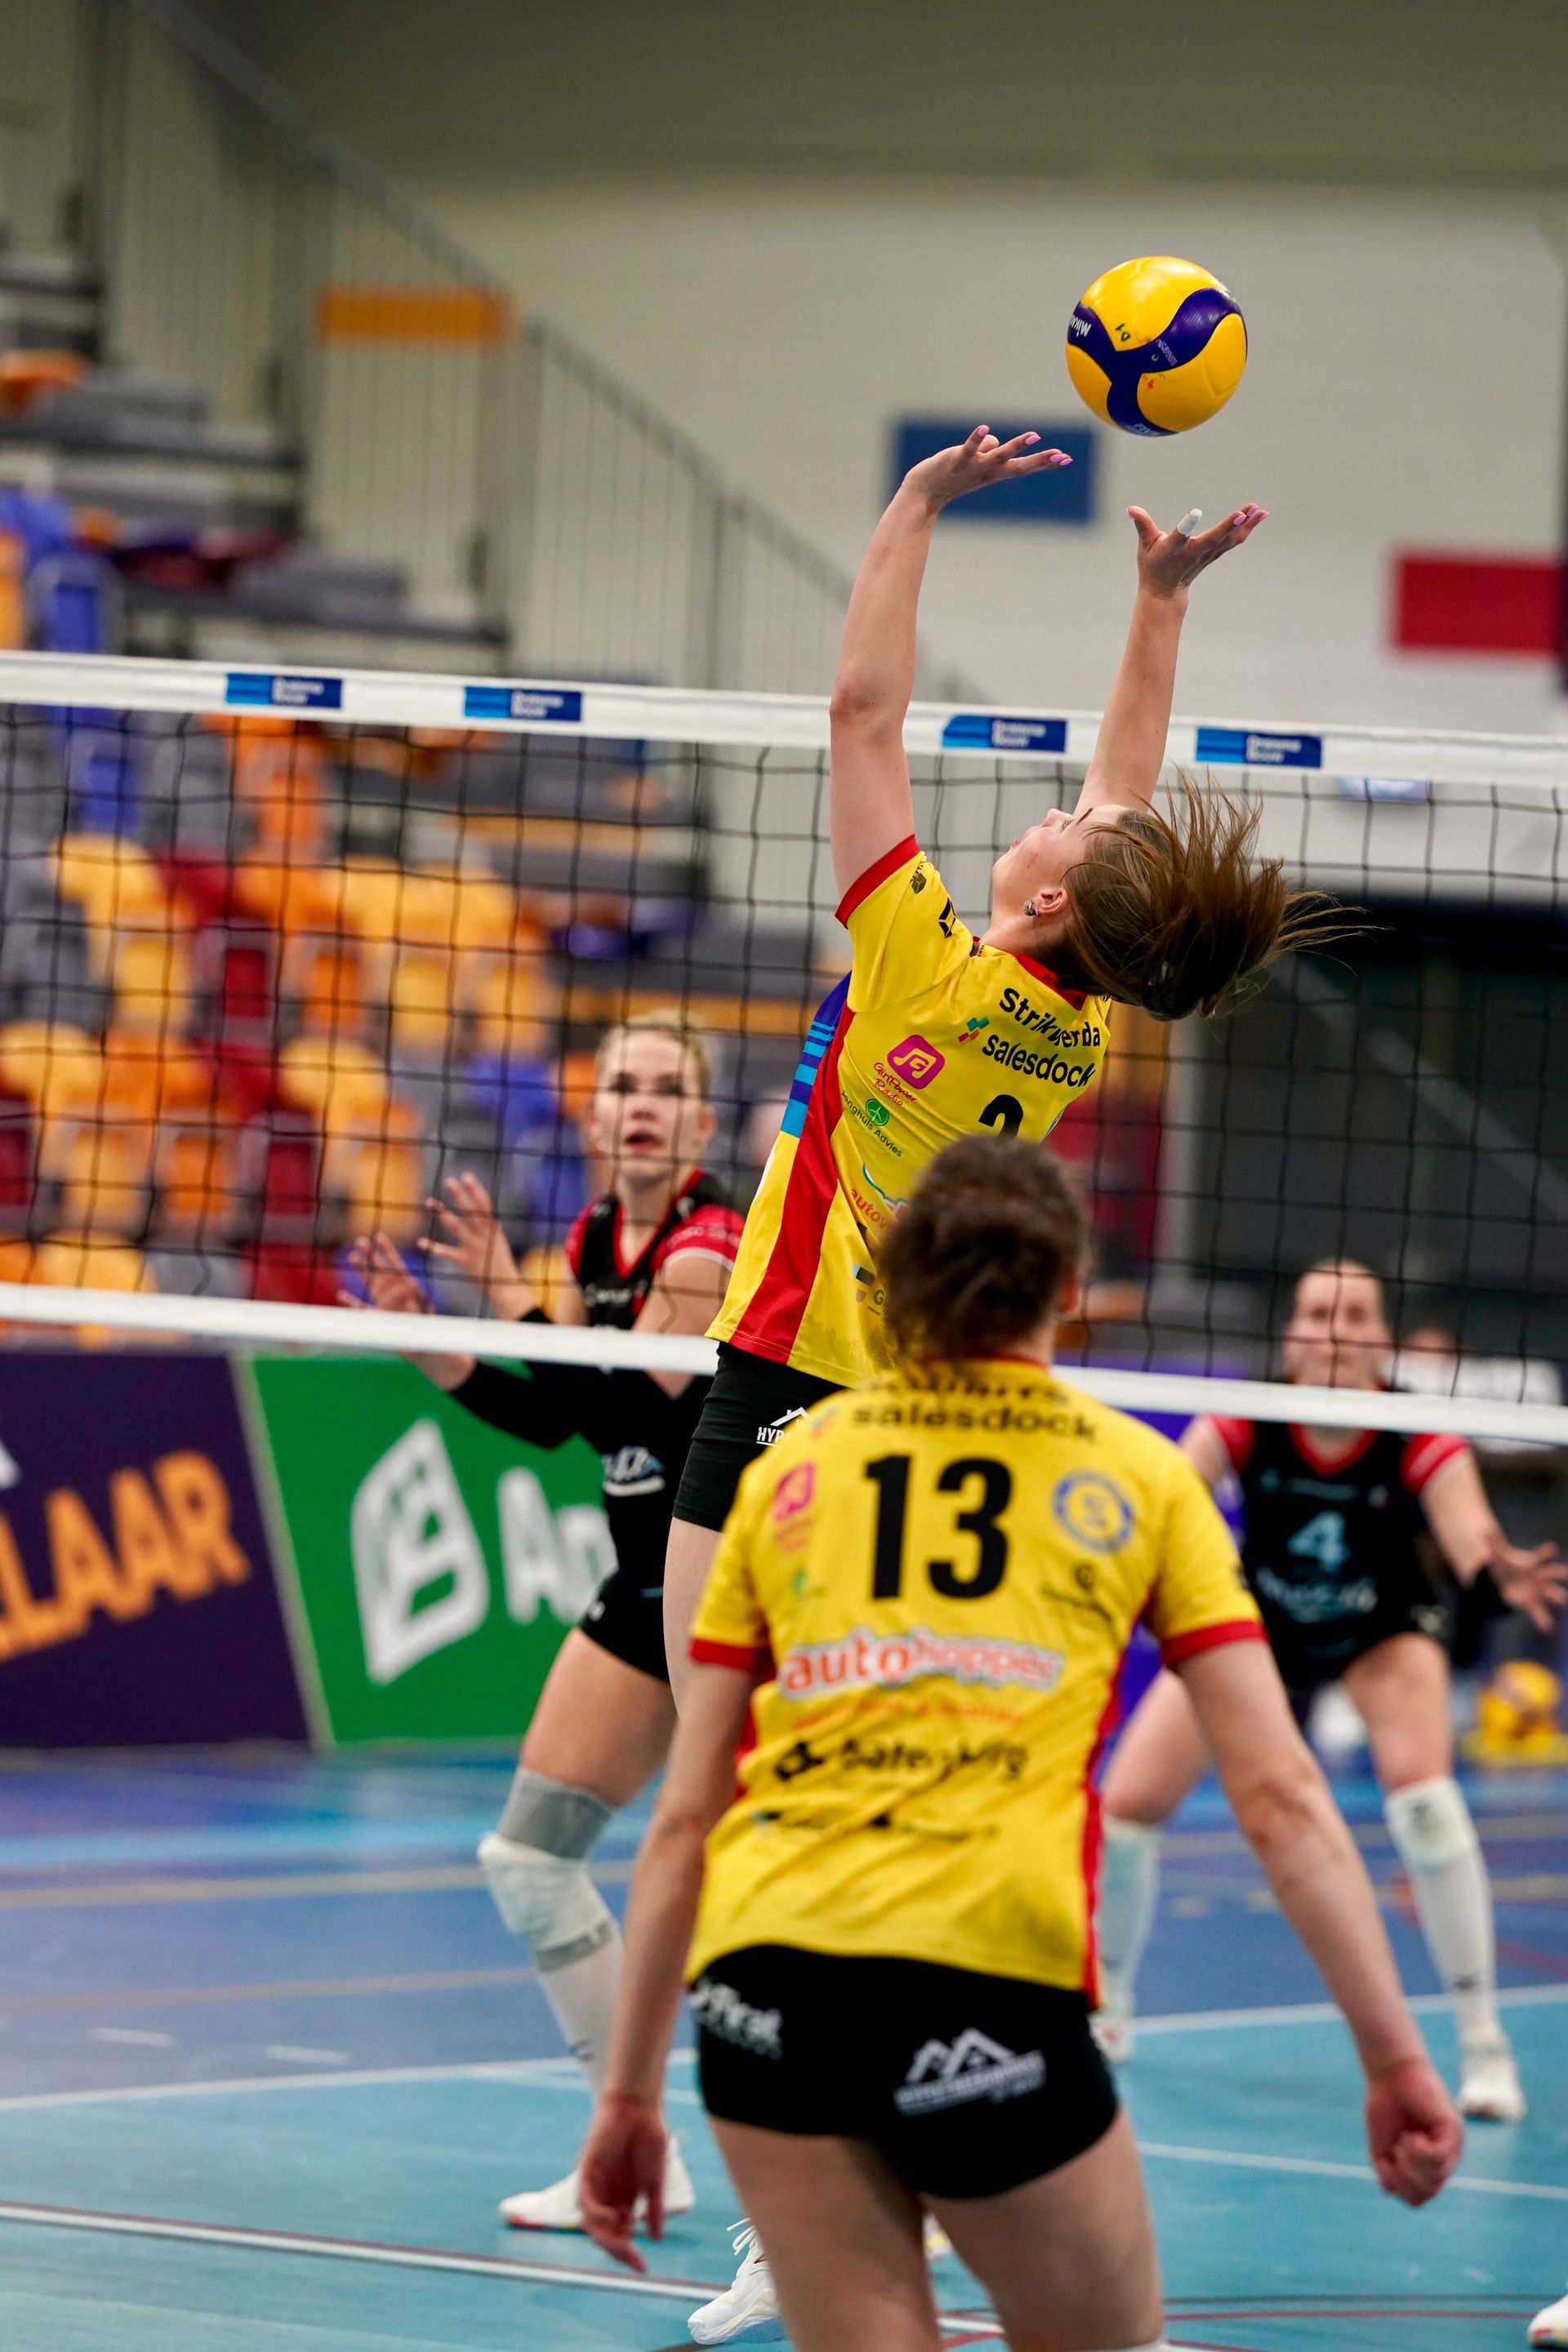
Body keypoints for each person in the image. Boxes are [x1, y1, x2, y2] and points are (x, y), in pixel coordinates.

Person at [577, 1135, 1462, 2352]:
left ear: (897, 1282)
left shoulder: (790, 1474)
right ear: (1067, 1290)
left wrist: (627, 2096)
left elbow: (689, 1815)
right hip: (981, 1988)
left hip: (763, 2003)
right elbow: (1282, 1801)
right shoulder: (1141, 1481)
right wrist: (1397, 2056)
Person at [664, 425, 1339, 1713]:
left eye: (1065, 833)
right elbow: (1125, 797)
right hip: (918, 1393)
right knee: (838, 1723)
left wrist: (915, 504)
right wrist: (1161, 605)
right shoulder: (1078, 1026)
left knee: (723, 1733)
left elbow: (862, 714)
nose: (1062, 813)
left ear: (1044, 904)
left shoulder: (921, 960)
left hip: (791, 1364)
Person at [344, 1012, 742, 2230]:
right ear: (589, 1111)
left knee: (775, 1906)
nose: (641, 1102)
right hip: (640, 1587)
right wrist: (444, 1354)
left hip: (737, 1595)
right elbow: (572, 1423)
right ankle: (636, 2154)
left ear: (702, 1123)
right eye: (621, 1082)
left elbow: (627, 1382)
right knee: (528, 1859)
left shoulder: (707, 1249)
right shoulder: (588, 1241)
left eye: (668, 1088)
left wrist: (507, 1300)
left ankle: (899, 2175)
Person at [1094, 1258, 1566, 2125]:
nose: (1337, 1329)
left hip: (1381, 1629)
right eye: (1318, 1312)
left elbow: (1472, 1539)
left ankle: (1484, 2044)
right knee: (1126, 1809)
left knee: (1425, 1804)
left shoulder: (1419, 1433)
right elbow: (1160, 1498)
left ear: (1381, 1338)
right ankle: (1109, 2014)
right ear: (1292, 1335)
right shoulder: (1247, 1419)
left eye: (1355, 1313)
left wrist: (1500, 1574)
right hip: (1260, 1624)